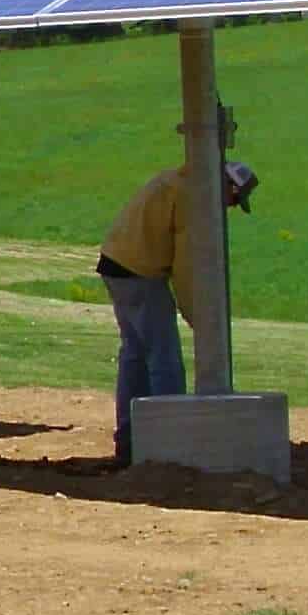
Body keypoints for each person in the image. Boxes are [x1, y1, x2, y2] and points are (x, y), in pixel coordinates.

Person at [96, 155, 256, 463]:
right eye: (233, 201)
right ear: (228, 187)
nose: (228, 208)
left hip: (115, 263)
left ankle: (130, 440)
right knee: (164, 358)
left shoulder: (174, 180)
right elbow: (187, 267)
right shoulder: (192, 199)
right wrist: (199, 316)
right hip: (141, 272)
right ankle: (168, 442)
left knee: (135, 355)